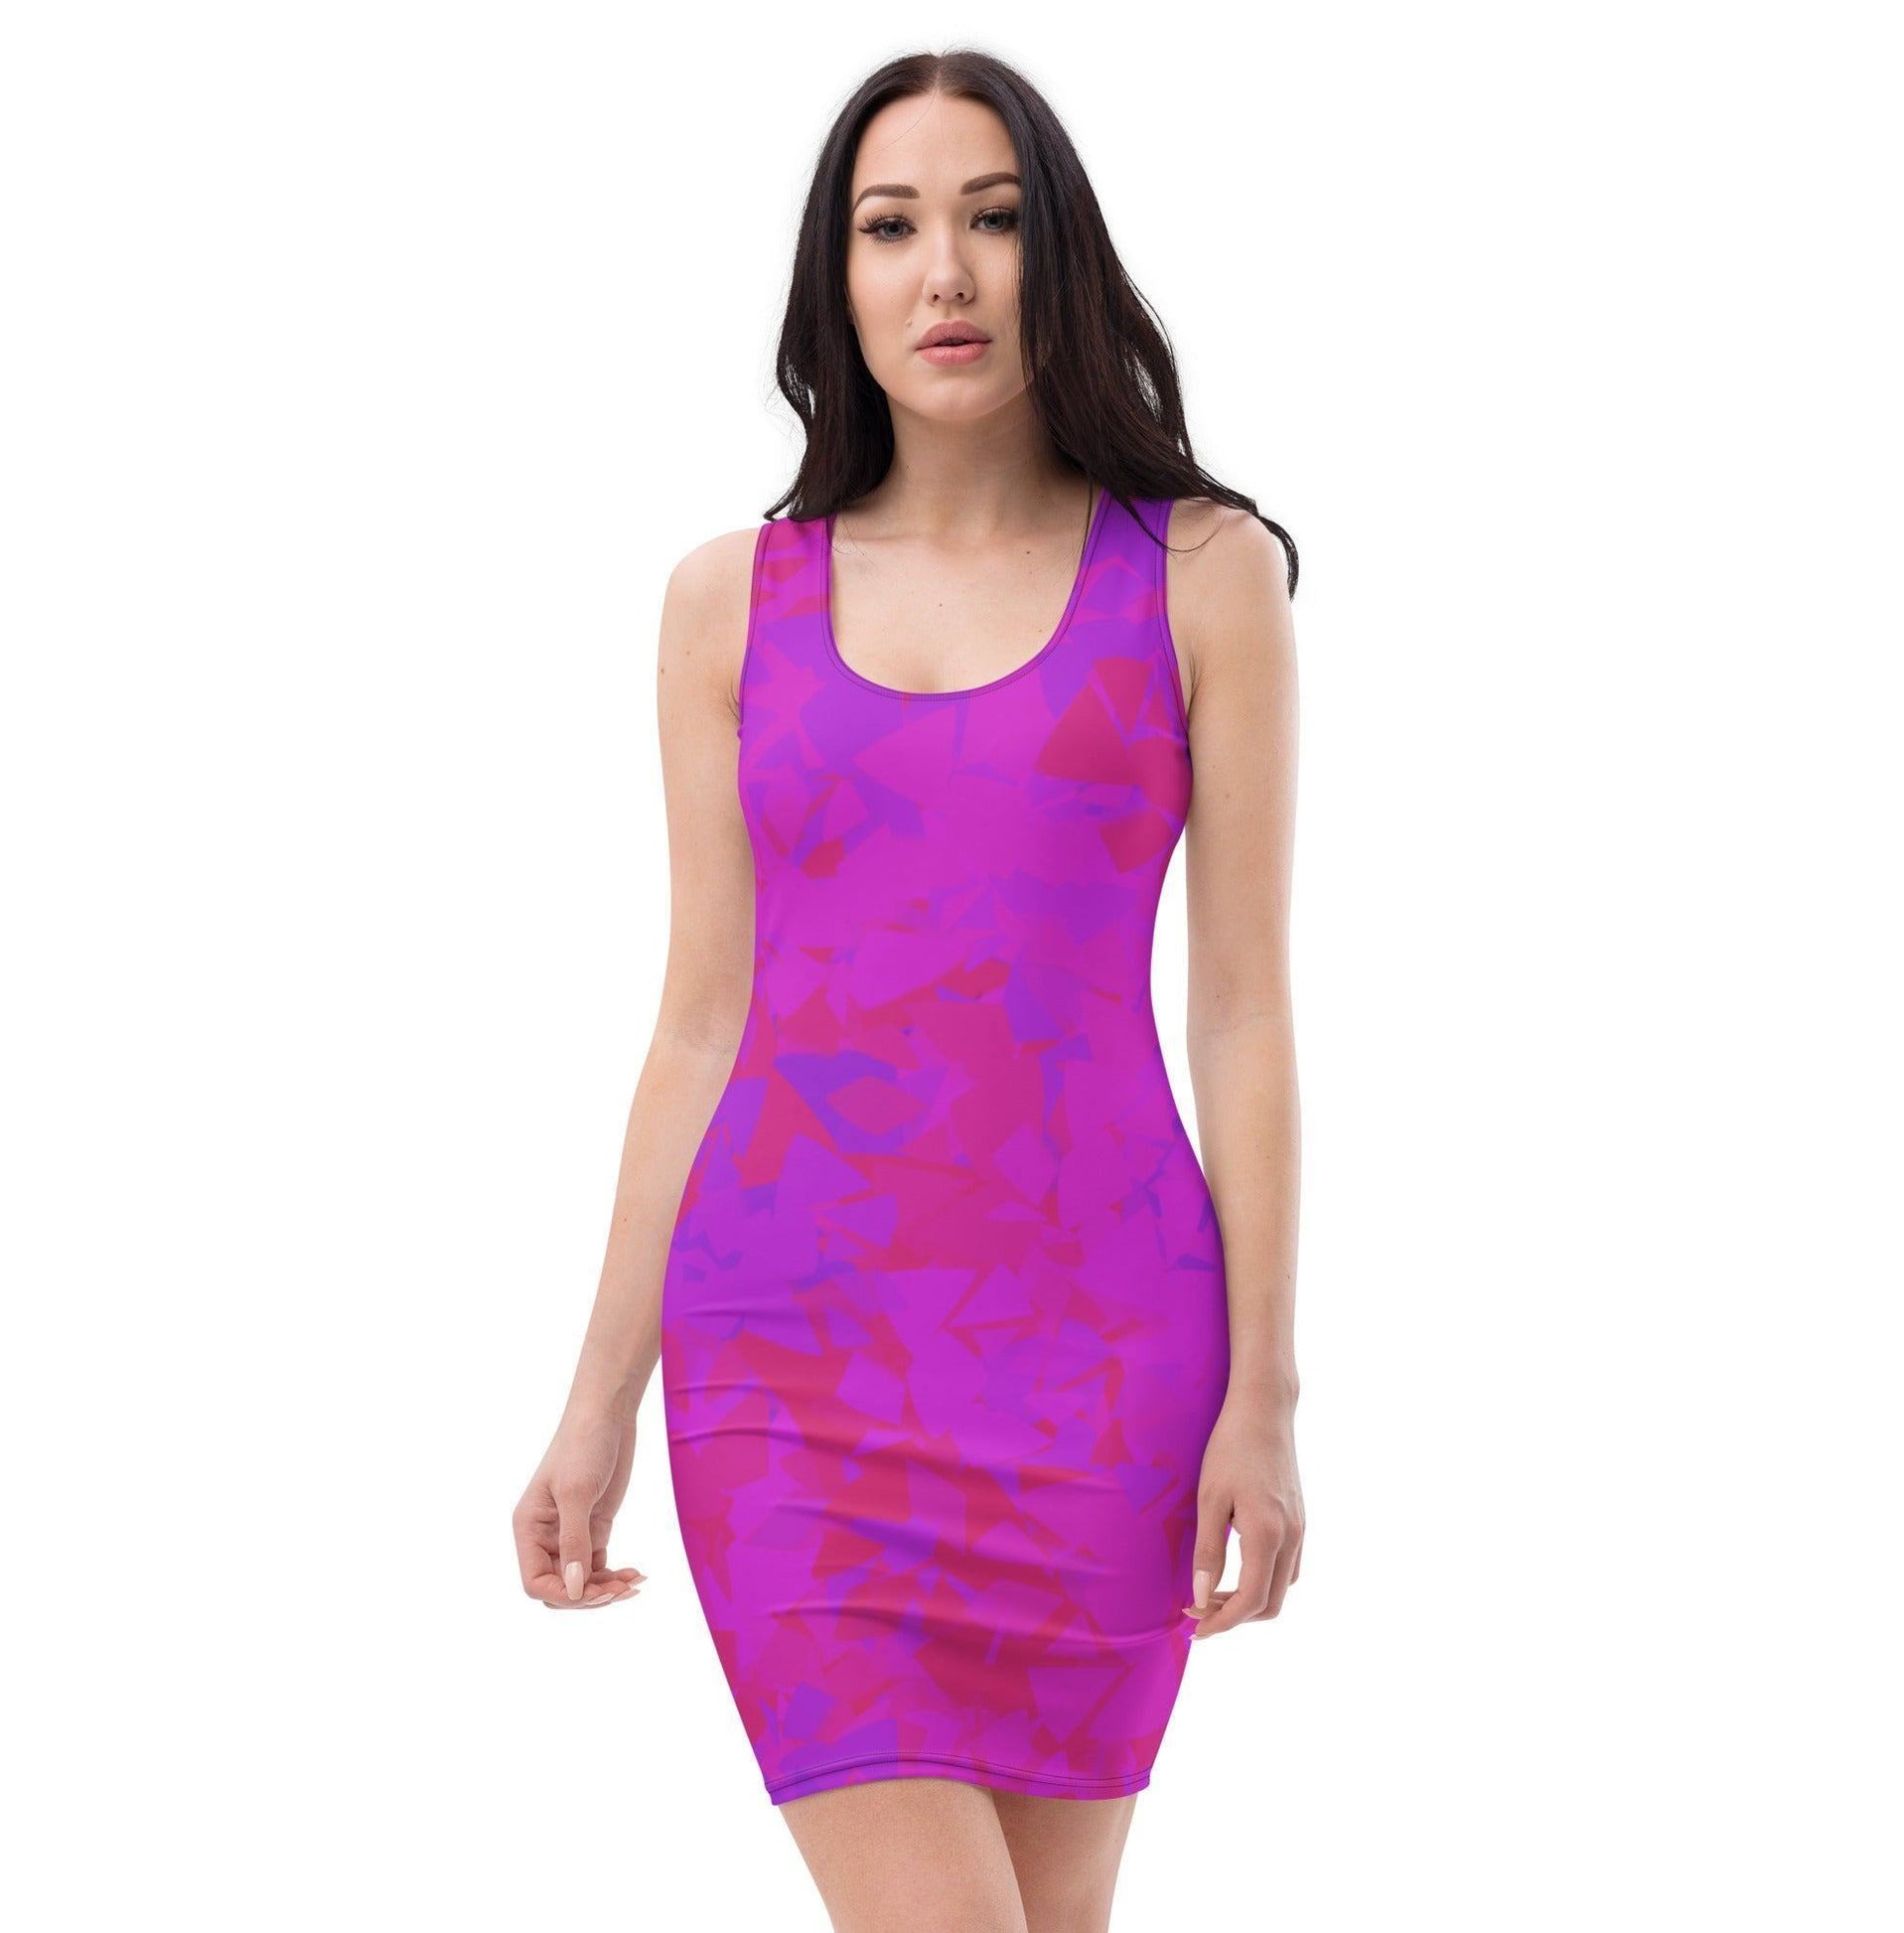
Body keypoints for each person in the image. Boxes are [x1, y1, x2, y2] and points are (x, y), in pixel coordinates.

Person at [513, 48, 1303, 1931]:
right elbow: (701, 1017)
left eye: (992, 218)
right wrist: (595, 1397)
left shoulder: (1201, 577)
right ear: (837, 277)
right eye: (890, 227)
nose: (943, 271)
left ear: (1061, 254)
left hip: (1104, 1374)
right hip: (785, 1370)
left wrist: (1264, 1392)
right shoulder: (730, 600)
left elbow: (1245, 1012)